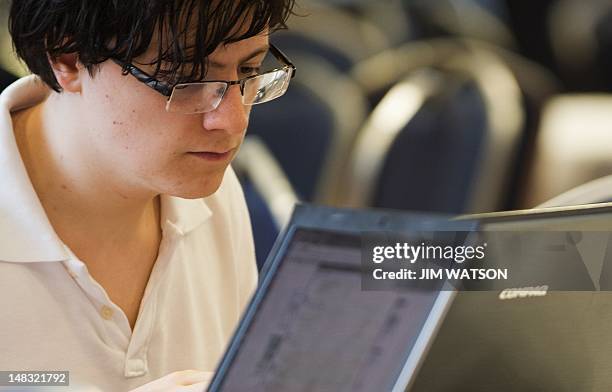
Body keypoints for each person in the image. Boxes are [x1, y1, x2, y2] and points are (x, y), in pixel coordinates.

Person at [0, 0, 295, 390]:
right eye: (187, 78)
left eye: (249, 70)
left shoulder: (211, 193)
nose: (232, 121)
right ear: (68, 60)